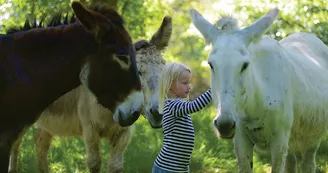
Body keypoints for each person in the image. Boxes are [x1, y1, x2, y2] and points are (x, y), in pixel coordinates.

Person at [153, 62, 212, 173]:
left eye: (189, 83)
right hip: (167, 168)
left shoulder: (177, 105)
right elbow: (194, 106)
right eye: (185, 83)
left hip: (179, 168)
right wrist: (213, 91)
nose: (189, 87)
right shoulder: (172, 105)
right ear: (170, 84)